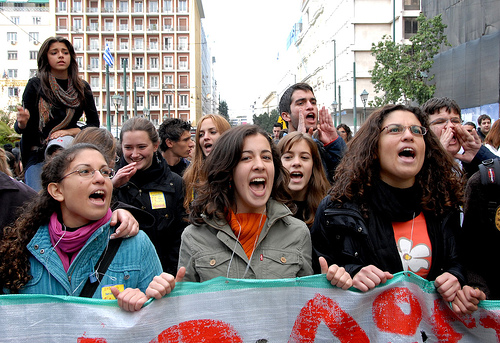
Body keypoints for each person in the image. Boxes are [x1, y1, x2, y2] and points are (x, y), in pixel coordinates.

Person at [311, 104, 478, 314]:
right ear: (374, 147)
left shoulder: (444, 204)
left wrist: (456, 278)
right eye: (395, 130)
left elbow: (459, 261)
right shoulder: (336, 210)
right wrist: (351, 275)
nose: (409, 136)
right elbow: (317, 276)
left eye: (417, 131)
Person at [0, 144, 181, 311]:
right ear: (57, 191)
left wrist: (150, 302)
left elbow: (159, 325)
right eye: (85, 171)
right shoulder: (24, 247)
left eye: (105, 172)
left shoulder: (136, 244)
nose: (100, 179)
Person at [178, 125, 314, 282]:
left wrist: (330, 287)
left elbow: (304, 302)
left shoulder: (297, 232)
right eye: (246, 158)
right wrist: (165, 294)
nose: (260, 165)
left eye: (266, 157)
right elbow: (186, 302)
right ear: (227, 171)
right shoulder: (194, 237)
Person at [15, 36, 99, 192]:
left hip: (69, 154)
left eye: (65, 52)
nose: (61, 56)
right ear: (46, 57)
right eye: (54, 52)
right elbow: (25, 129)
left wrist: (68, 132)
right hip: (38, 154)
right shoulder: (35, 85)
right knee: (37, 199)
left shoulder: (82, 87)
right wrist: (23, 122)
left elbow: (94, 125)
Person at [113, 117, 187, 274]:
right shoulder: (109, 182)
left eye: (141, 147)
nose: (134, 154)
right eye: (128, 147)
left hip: (163, 272)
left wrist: (170, 275)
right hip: (123, 273)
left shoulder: (175, 183)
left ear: (155, 146)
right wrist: (112, 187)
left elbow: (180, 235)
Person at [279, 83, 346, 183]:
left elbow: (346, 178)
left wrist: (334, 143)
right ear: (286, 116)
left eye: (313, 102)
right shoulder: (276, 151)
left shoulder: (321, 147)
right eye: (301, 103)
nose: (310, 106)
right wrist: (298, 143)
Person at [421, 97, 498, 177]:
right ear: (426, 130)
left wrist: (480, 155)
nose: (451, 125)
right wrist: (439, 158)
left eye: (455, 121)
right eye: (440, 122)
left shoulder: (468, 161)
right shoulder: (416, 165)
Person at [277, 132, 330, 227]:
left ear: (314, 165)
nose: (296, 163)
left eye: (304, 157)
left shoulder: (328, 210)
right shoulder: (266, 209)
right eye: (288, 157)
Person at [182, 114, 231, 211]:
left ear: (226, 136)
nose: (206, 137)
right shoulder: (191, 175)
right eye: (201, 134)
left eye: (212, 132)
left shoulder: (237, 172)